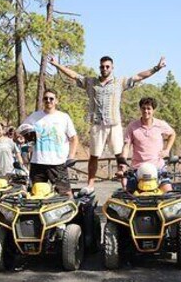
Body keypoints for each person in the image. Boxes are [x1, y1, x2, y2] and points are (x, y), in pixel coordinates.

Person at [48, 54, 166, 192]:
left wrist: (156, 68)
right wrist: (56, 65)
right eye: (102, 66)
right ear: (100, 67)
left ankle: (124, 184)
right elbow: (74, 75)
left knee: (120, 156)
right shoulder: (91, 82)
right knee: (94, 156)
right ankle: (90, 184)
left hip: (114, 124)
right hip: (97, 125)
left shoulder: (119, 82)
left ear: (112, 68)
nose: (105, 68)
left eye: (107, 66)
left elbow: (139, 76)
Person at [19, 88, 78, 196]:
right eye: (46, 98)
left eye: (51, 98)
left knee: (65, 193)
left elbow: (74, 138)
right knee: (36, 194)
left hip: (58, 163)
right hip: (38, 162)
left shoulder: (63, 117)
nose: (48, 101)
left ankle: (72, 212)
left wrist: (71, 156)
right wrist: (22, 141)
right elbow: (20, 132)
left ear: (56, 101)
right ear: (42, 100)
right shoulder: (34, 116)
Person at [121, 97, 177, 192]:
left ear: (153, 110)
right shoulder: (132, 126)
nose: (146, 111)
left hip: (158, 168)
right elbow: (126, 145)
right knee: (128, 196)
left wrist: (167, 150)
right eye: (143, 108)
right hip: (137, 169)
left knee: (169, 194)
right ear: (140, 109)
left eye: (149, 108)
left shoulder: (160, 124)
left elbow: (172, 134)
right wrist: (122, 163)